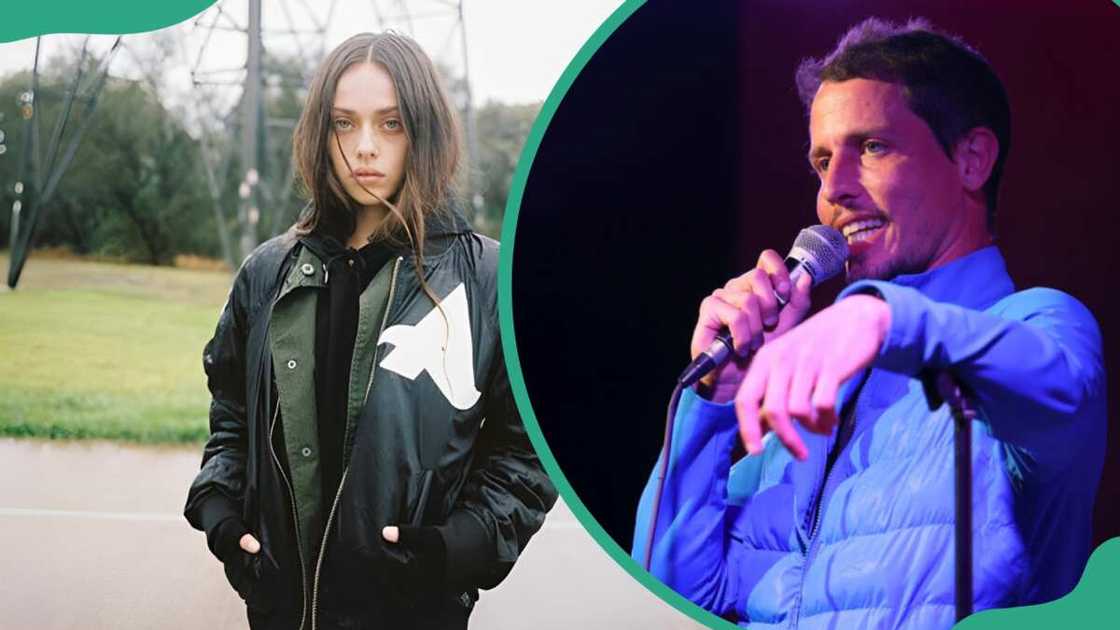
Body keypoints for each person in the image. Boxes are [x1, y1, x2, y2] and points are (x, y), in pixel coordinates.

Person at [632, 17, 1106, 629]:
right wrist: (715, 400)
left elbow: (1057, 386)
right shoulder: (808, 403)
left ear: (971, 159)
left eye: (872, 147)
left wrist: (884, 319)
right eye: (822, 162)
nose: (833, 190)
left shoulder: (1038, 323)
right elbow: (676, 596)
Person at [184, 32, 557, 630]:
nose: (364, 148)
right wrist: (223, 510)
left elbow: (528, 449)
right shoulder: (264, 274)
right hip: (280, 611)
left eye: (390, 124)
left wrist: (456, 548)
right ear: (318, 133)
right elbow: (230, 413)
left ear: (425, 131)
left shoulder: (491, 282)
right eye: (343, 124)